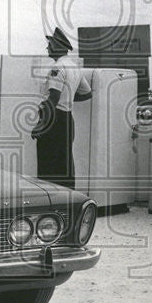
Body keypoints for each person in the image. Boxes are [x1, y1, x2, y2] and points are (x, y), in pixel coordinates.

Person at [31, 27, 92, 189]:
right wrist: (69, 97)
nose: (47, 48)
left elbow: (53, 98)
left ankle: (51, 204)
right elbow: (87, 93)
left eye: (50, 45)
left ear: (57, 46)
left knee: (48, 164)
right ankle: (68, 201)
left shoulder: (57, 68)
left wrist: (41, 125)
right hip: (67, 119)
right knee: (64, 164)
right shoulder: (74, 67)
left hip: (54, 120)